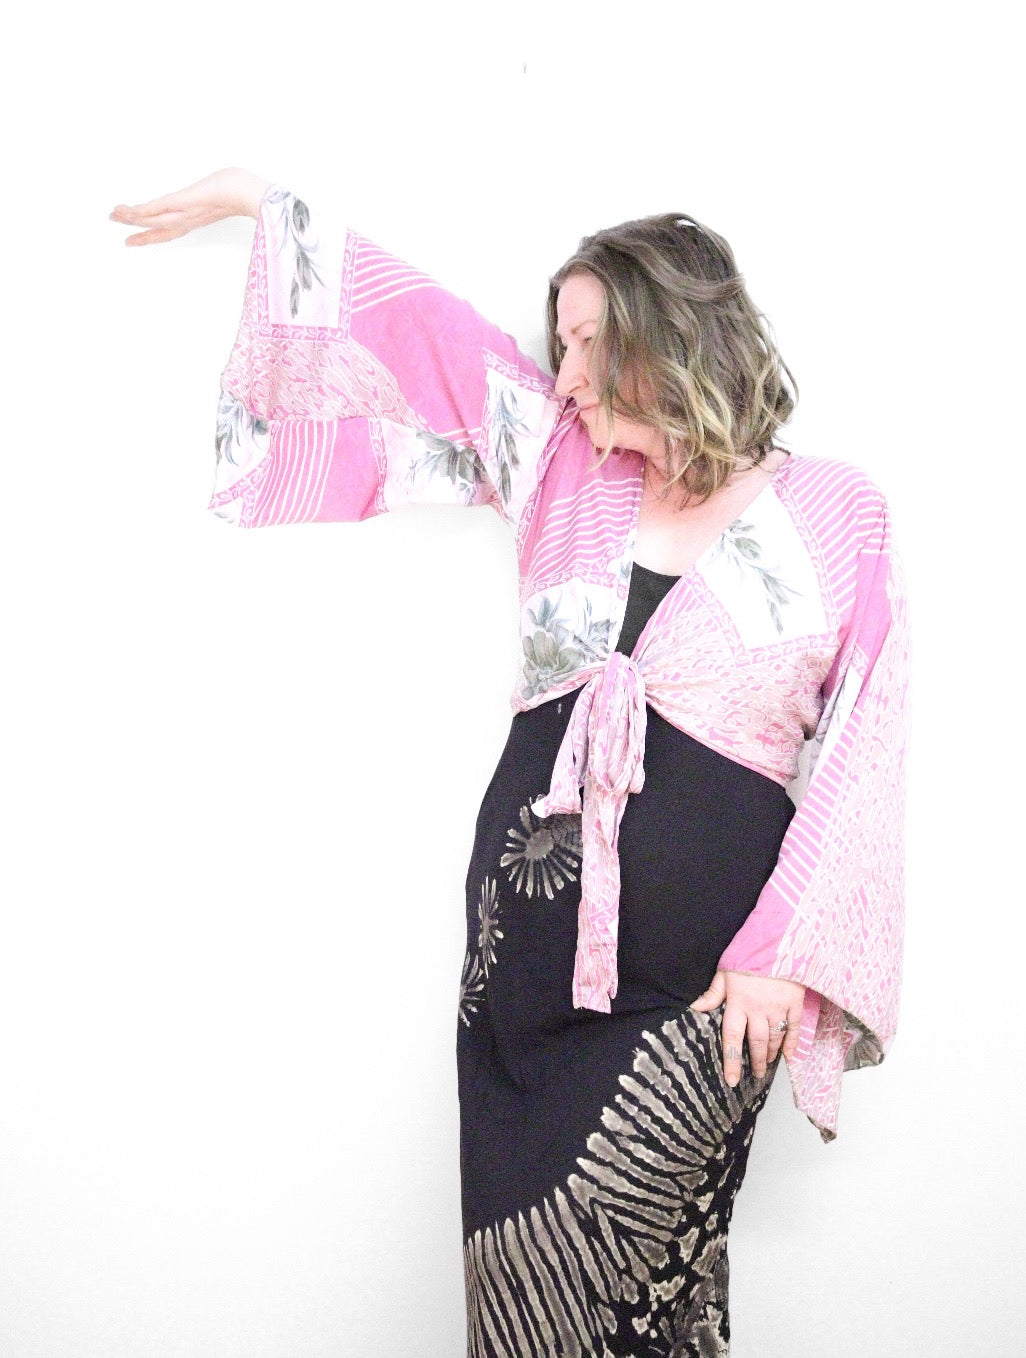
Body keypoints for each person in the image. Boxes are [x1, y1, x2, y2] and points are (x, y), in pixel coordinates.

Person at [110, 168, 909, 1357]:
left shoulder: (836, 510)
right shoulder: (560, 462)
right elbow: (429, 336)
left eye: (589, 342)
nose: (566, 374)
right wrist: (261, 206)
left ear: (671, 333)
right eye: (561, 345)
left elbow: (866, 743)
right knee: (520, 1290)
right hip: (524, 964)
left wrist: (782, 956)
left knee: (653, 1297)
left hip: (709, 986)